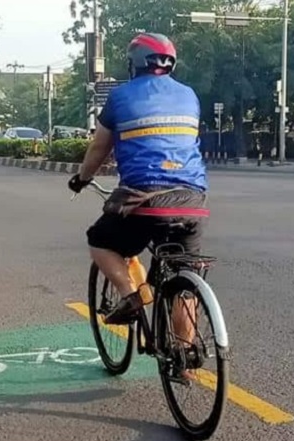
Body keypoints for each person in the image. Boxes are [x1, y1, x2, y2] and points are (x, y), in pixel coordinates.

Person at [68, 33, 208, 354]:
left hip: (143, 198)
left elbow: (99, 147)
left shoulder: (120, 96)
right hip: (193, 202)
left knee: (99, 239)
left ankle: (131, 294)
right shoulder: (189, 95)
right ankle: (183, 359)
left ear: (134, 63)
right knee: (182, 279)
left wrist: (81, 179)